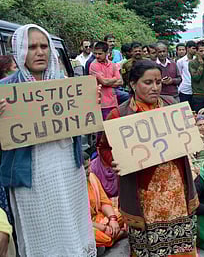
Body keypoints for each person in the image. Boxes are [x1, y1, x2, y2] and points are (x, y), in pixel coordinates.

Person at [0, 24, 96, 256]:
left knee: (72, 227)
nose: (39, 52)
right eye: (32, 47)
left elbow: (80, 128)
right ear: (20, 50)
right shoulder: (5, 90)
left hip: (67, 171)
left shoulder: (67, 86)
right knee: (41, 233)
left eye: (44, 46)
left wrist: (90, 103)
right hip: (31, 179)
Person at [97, 59, 199, 256]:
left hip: (176, 187)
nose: (155, 87)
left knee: (181, 245)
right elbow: (103, 148)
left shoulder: (172, 105)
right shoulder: (120, 114)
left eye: (158, 82)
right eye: (148, 82)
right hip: (144, 192)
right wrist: (114, 161)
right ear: (133, 84)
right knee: (148, 246)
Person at [84, 152, 126, 249]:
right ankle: (119, 234)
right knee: (101, 237)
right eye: (86, 168)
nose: (89, 170)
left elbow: (104, 202)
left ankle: (112, 235)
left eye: (89, 166)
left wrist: (112, 219)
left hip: (99, 216)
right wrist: (104, 228)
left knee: (123, 215)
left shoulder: (92, 177)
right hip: (87, 224)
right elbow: (80, 220)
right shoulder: (72, 188)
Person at [90, 41, 123, 120]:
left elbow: (121, 81)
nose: (97, 56)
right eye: (95, 53)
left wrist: (107, 82)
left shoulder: (112, 64)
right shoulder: (94, 65)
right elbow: (104, 82)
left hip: (113, 101)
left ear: (106, 53)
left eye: (100, 54)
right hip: (101, 103)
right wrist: (115, 79)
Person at [177, 40, 197, 107]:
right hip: (185, 89)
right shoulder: (180, 61)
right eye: (193, 48)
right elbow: (179, 74)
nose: (195, 50)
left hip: (196, 90)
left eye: (195, 49)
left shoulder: (197, 60)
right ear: (188, 48)